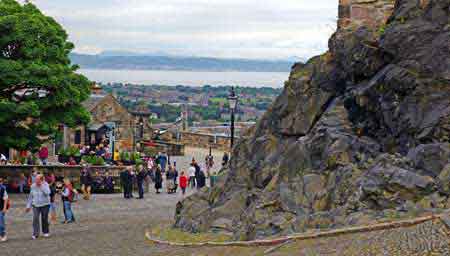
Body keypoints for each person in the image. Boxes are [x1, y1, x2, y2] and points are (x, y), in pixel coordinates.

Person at [26, 175, 51, 239]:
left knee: (44, 218)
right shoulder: (33, 186)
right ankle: (35, 233)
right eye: (35, 179)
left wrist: (41, 186)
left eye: (37, 180)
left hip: (45, 204)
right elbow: (31, 196)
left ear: (41, 180)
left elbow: (48, 193)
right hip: (36, 204)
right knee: (35, 218)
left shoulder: (45, 184)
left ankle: (45, 232)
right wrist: (28, 206)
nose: (36, 181)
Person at [0, 177, 8, 242]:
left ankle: (3, 235)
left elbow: (5, 199)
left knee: (1, 224)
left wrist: (4, 208)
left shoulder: (2, 189)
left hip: (1, 208)